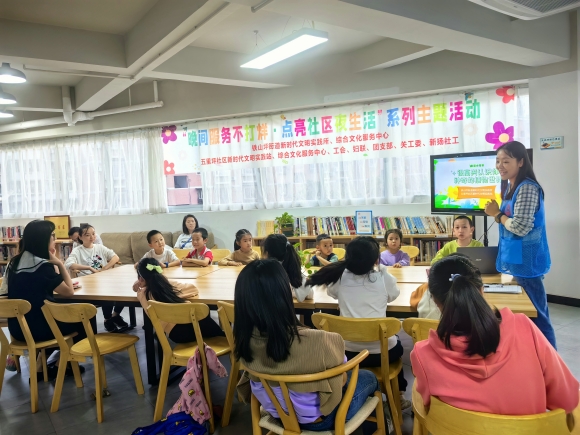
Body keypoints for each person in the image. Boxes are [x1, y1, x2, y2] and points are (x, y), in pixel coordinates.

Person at [411, 255, 579, 415]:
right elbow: (567, 399)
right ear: (482, 290)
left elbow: (427, 404)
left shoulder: (422, 355)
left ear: (433, 299)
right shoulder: (524, 327)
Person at [235, 259, 381, 431]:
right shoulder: (319, 340)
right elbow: (341, 381)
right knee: (369, 378)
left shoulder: (244, 340)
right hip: (321, 420)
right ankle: (378, 425)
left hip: (277, 414)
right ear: (284, 294)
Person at [305, 237, 409, 409]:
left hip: (347, 354)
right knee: (396, 344)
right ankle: (399, 395)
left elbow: (332, 293)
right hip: (381, 354)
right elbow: (394, 295)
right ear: (376, 259)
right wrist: (382, 270)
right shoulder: (383, 277)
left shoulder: (340, 278)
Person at [484, 141, 555, 348]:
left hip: (528, 261)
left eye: (506, 160)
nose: (500, 165)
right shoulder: (510, 186)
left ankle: (551, 362)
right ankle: (534, 357)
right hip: (517, 258)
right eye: (498, 161)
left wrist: (496, 214)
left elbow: (521, 227)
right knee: (527, 313)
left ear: (521, 162)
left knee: (538, 316)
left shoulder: (527, 189)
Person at [3, 220, 85, 380]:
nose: (54, 240)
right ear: (43, 240)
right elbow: (68, 292)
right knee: (83, 318)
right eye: (52, 237)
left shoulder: (14, 263)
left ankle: (41, 367)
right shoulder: (42, 266)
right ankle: (61, 365)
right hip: (39, 330)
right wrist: (59, 264)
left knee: (52, 316)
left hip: (17, 330)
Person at [132, 258, 224, 340]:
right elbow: (193, 289)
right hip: (190, 328)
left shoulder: (142, 294)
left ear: (140, 279)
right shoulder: (168, 286)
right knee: (203, 314)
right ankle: (224, 338)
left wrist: (138, 284)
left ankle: (222, 338)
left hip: (175, 334)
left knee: (201, 316)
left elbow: (137, 289)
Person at [64, 224, 127, 333]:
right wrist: (89, 267)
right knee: (107, 294)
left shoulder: (99, 247)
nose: (92, 237)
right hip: (88, 284)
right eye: (87, 235)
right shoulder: (78, 250)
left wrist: (106, 268)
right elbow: (68, 264)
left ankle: (115, 315)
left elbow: (115, 257)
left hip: (104, 280)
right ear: (80, 237)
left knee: (124, 290)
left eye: (93, 234)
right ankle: (108, 320)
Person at [261, 233, 312, 302]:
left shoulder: (262, 272)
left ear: (267, 253)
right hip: (287, 311)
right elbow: (310, 295)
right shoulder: (292, 270)